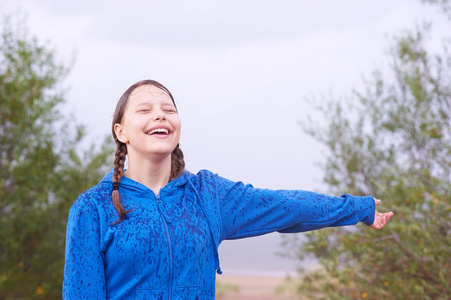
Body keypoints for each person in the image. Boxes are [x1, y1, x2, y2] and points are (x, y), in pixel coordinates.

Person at [63, 79, 393, 299]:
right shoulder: (93, 208)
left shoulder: (209, 195)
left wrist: (357, 209)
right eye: (145, 110)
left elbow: (287, 206)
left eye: (168, 109)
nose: (160, 116)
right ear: (121, 131)